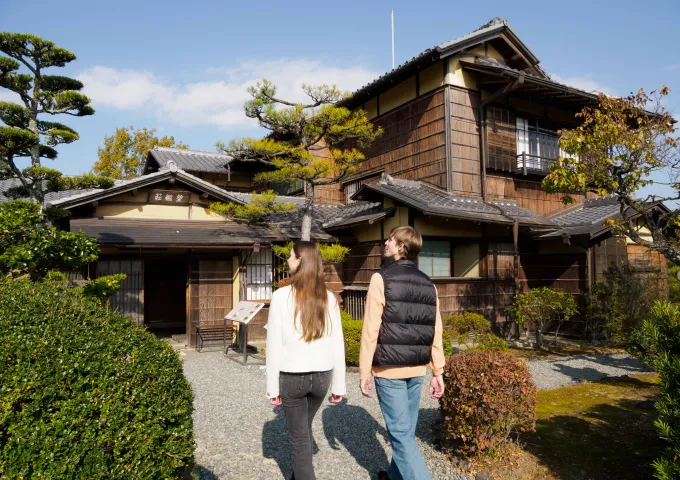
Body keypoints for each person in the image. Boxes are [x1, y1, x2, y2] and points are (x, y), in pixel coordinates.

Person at [359, 226, 446, 480]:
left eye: (390, 239)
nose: (385, 242)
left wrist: (365, 371)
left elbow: (370, 329)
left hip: (389, 369)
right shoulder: (429, 283)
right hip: (417, 368)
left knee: (399, 433)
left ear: (400, 247)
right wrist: (437, 370)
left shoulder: (381, 278)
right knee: (405, 432)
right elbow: (436, 329)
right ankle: (395, 476)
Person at [266, 240, 346, 480]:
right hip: (322, 377)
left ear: (300, 260)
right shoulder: (329, 298)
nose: (288, 260)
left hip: (292, 378)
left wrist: (272, 388)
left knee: (300, 441)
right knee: (303, 430)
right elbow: (337, 343)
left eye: (290, 256)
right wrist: (339, 385)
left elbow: (274, 345)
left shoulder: (281, 297)